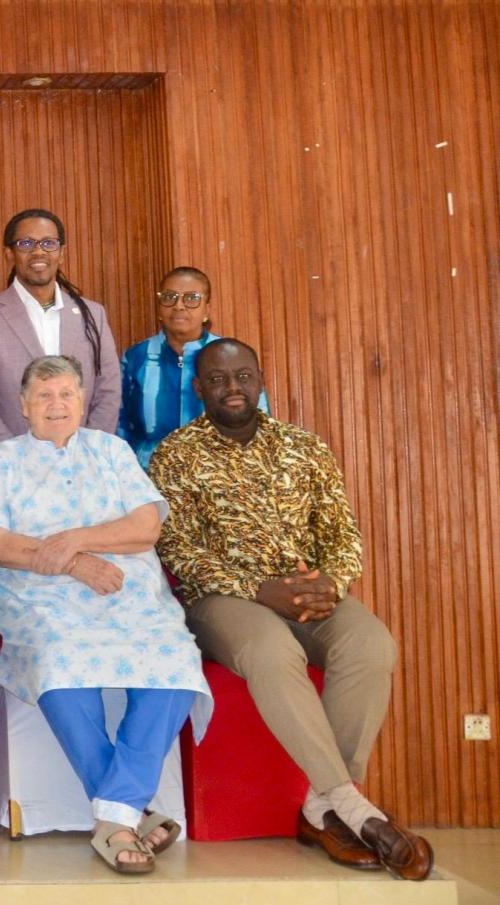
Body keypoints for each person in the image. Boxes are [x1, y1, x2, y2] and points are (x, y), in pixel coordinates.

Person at [149, 339, 430, 880]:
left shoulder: (305, 446)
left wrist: (331, 580)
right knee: (271, 652)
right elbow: (178, 549)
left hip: (309, 590)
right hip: (224, 600)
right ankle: (351, 808)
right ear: (199, 388)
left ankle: (324, 807)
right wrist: (257, 589)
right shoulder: (176, 455)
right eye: (218, 379)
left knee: (372, 646)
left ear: (260, 379)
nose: (233, 387)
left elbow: (342, 532)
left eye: (244, 375)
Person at [0, 355, 207, 874]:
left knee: (176, 664)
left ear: (82, 402)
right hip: (39, 597)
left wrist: (76, 539)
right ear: (23, 406)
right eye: (44, 396)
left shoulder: (112, 451)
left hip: (130, 595)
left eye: (67, 394)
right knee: (59, 662)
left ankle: (113, 817)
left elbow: (146, 528)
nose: (57, 405)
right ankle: (125, 815)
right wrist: (73, 563)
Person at [0, 209, 122, 451]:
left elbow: (108, 390)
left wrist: (86, 451)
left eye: (48, 243)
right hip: (14, 469)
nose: (38, 251)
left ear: (62, 253)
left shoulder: (93, 314)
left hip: (83, 463)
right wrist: (17, 460)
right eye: (26, 243)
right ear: (9, 254)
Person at [117, 267, 268, 468]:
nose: (179, 306)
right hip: (150, 483)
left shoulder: (232, 356)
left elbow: (260, 422)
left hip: (222, 480)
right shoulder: (137, 358)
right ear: (160, 307)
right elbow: (119, 425)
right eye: (170, 297)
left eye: (192, 298)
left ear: (206, 309)